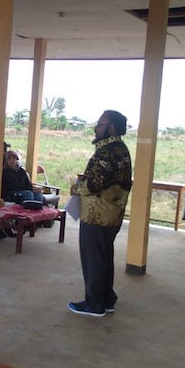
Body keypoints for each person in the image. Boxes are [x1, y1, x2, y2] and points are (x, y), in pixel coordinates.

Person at [67, 110, 132, 318]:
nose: (96, 128)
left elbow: (95, 183)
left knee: (93, 258)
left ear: (111, 128)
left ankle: (94, 304)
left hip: (97, 214)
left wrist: (77, 188)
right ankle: (107, 299)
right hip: (112, 213)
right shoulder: (121, 149)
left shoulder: (107, 151)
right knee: (104, 256)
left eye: (100, 124)